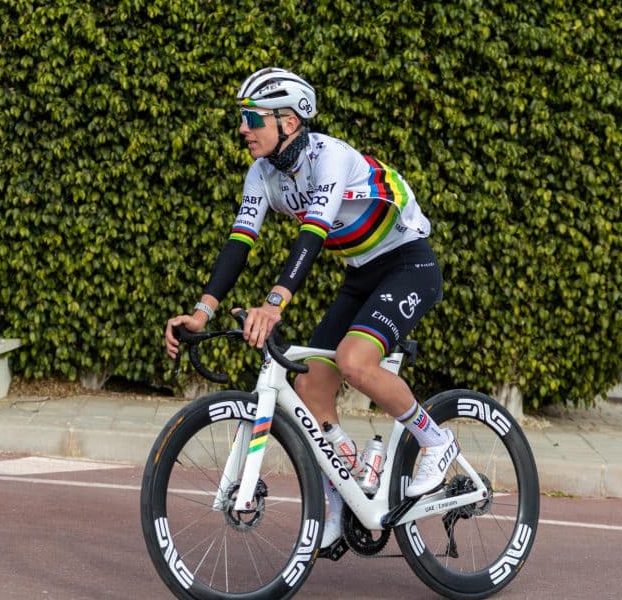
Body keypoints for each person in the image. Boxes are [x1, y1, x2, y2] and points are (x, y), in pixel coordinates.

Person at [164, 67, 456, 548]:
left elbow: (313, 235)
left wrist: (274, 303)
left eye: (252, 117)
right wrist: (202, 312)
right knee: (309, 384)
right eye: (243, 117)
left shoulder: (331, 158)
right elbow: (239, 243)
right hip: (362, 274)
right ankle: (342, 498)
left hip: (408, 264)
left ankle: (436, 442)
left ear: (290, 122)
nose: (243, 128)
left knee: (352, 361)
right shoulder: (261, 174)